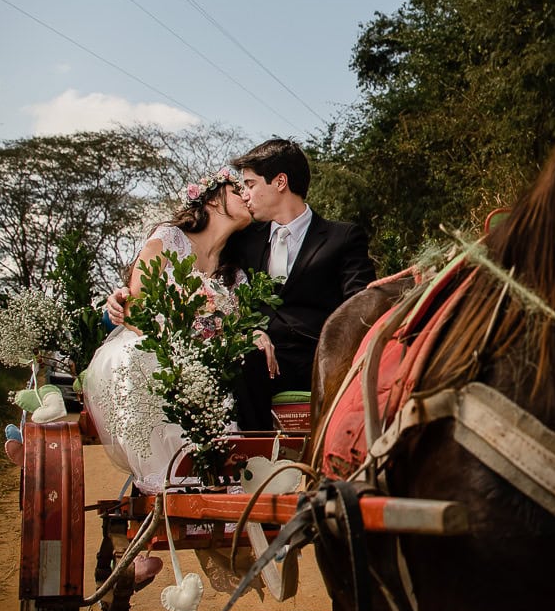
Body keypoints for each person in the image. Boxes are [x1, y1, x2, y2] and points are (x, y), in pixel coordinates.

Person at [108, 138, 376, 430]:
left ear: (280, 182)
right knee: (243, 359)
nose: (245, 194)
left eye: (249, 184)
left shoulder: (342, 237)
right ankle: (254, 462)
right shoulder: (244, 240)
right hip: (257, 357)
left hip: (319, 357)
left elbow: (360, 305)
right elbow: (197, 265)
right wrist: (123, 294)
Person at [84, 166, 275, 492]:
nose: (246, 195)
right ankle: (171, 480)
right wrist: (182, 338)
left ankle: (223, 473)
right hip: (153, 342)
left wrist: (253, 333)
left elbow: (236, 326)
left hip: (206, 357)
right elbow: (137, 309)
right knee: (141, 358)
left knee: (232, 366)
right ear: (212, 199)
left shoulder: (235, 275)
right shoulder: (168, 238)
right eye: (237, 189)